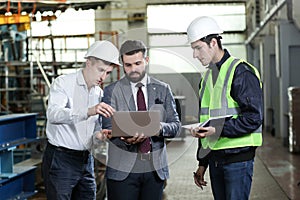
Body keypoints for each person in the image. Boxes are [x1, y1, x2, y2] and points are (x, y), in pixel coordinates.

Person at [187, 16, 263, 200]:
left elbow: (253, 117)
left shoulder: (240, 72)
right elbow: (207, 119)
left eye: (198, 48)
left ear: (213, 42)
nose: (195, 55)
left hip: (238, 159)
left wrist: (218, 130)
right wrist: (202, 163)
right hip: (216, 160)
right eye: (193, 49)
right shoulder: (206, 78)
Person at [100, 40, 181, 200]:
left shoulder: (163, 89)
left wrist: (157, 128)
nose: (133, 69)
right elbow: (108, 127)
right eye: (127, 65)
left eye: (137, 63)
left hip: (153, 169)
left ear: (147, 60)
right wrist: (126, 139)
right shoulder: (111, 91)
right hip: (122, 170)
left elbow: (176, 126)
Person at [42, 40, 120, 199]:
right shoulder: (63, 83)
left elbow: (94, 127)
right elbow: (54, 114)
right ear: (89, 62)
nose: (103, 77)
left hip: (86, 159)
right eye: (101, 70)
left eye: (107, 73)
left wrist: (101, 134)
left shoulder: (97, 92)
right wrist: (89, 110)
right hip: (61, 159)